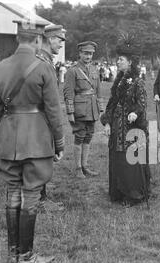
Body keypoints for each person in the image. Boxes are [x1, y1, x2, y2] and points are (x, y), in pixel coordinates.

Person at [0, 19, 64, 263]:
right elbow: (53, 111)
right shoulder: (43, 68)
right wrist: (58, 143)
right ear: (38, 39)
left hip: (9, 140)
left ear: (18, 38)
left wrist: (4, 135)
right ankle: (26, 256)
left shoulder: (0, 68)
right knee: (30, 195)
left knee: (12, 194)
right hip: (37, 142)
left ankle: (13, 254)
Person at [100, 35, 150, 207]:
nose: (118, 62)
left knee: (131, 160)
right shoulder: (119, 81)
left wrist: (135, 113)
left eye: (121, 60)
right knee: (118, 159)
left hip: (131, 128)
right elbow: (112, 103)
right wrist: (107, 122)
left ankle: (134, 194)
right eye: (118, 59)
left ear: (130, 63)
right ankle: (119, 192)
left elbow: (142, 103)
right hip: (117, 128)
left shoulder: (137, 82)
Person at [63, 41, 103, 178]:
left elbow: (98, 91)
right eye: (85, 53)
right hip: (80, 109)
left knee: (88, 137)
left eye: (90, 54)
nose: (88, 56)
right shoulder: (72, 71)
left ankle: (85, 166)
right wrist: (70, 112)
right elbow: (68, 93)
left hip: (92, 109)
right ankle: (78, 168)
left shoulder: (94, 70)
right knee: (79, 137)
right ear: (80, 53)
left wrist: (100, 109)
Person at [37, 24, 66, 207]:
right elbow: (53, 107)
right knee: (40, 160)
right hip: (41, 122)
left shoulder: (38, 60)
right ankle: (40, 200)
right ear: (50, 39)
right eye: (60, 40)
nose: (61, 44)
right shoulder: (44, 64)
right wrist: (59, 141)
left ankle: (39, 197)